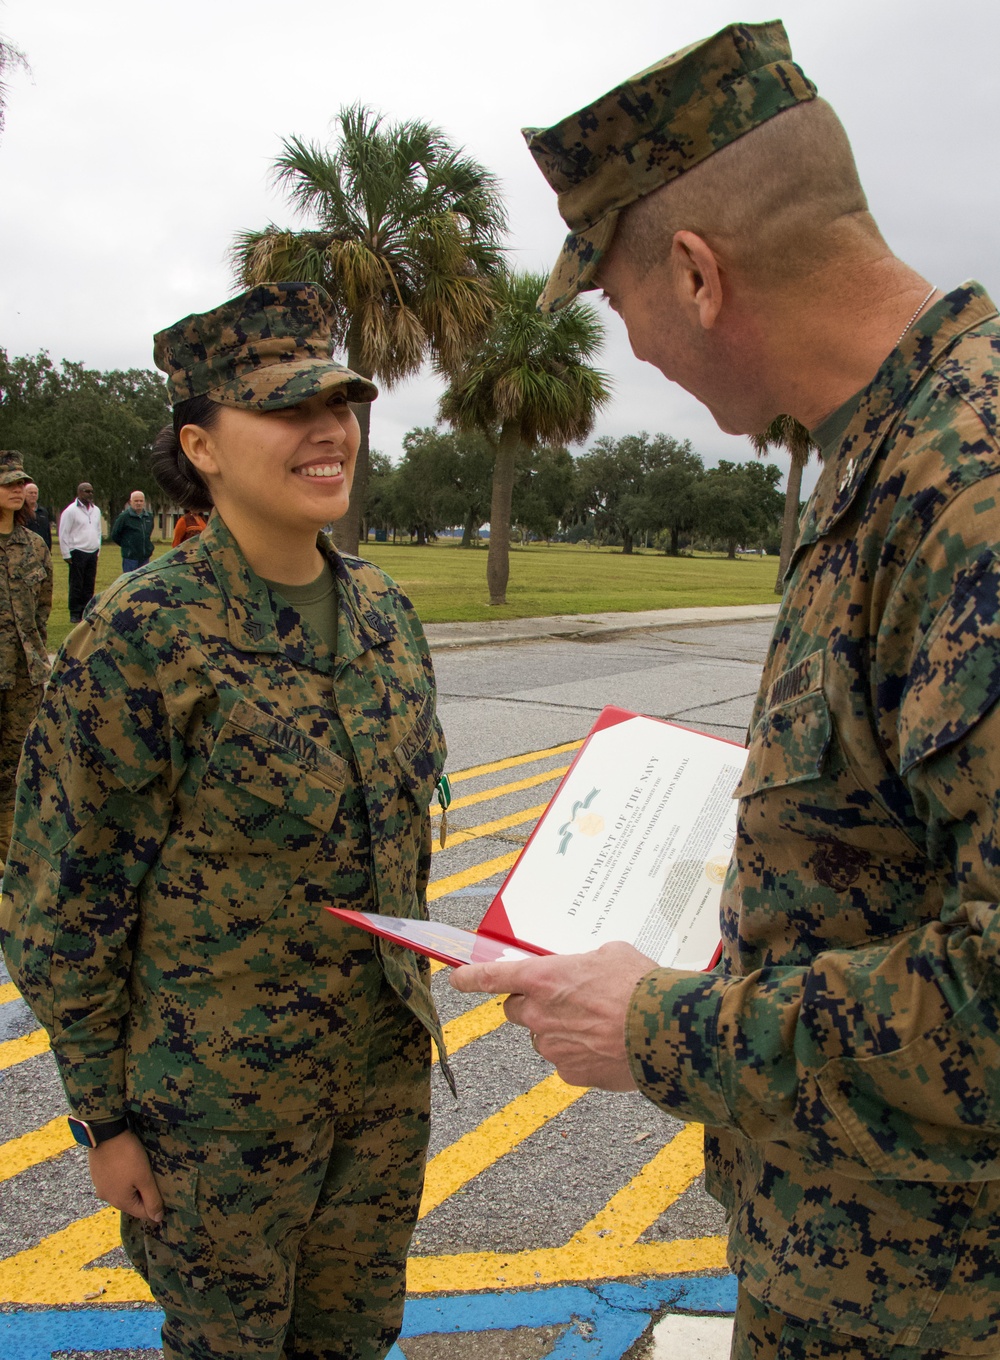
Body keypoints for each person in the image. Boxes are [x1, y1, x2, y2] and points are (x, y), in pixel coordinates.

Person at [452, 20, 1000, 1360]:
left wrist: (657, 1026)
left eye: (621, 302)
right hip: (853, 1274)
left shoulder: (968, 487)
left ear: (696, 275)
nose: (633, 349)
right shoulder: (885, 455)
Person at [0, 282, 450, 1360]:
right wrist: (104, 1124)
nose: (325, 430)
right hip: (214, 1116)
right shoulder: (143, 635)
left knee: (350, 1340)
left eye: (336, 404)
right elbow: (62, 908)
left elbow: (401, 850)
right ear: (199, 443)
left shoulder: (386, 616)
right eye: (285, 410)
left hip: (377, 1097)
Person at [0, 451, 52, 869]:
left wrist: (35, 656)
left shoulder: (34, 545)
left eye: (22, 483)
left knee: (17, 765)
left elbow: (42, 609)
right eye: (9, 484)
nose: (19, 490)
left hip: (24, 673)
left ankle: (8, 850)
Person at [58, 480, 101, 622]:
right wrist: (66, 553)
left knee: (89, 583)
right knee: (77, 583)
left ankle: (86, 609)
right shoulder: (71, 511)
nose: (90, 494)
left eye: (91, 491)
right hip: (78, 551)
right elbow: (64, 533)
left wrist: (98, 549)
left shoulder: (96, 510)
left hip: (92, 551)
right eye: (87, 491)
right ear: (79, 492)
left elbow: (98, 530)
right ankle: (75, 612)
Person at [110, 489, 154, 572]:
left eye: (141, 501)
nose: (138, 503)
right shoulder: (124, 517)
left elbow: (148, 533)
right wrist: (127, 545)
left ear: (144, 502)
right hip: (130, 558)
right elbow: (115, 535)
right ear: (130, 502)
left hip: (145, 557)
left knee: (144, 582)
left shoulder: (149, 517)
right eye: (136, 501)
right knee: (130, 581)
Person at [22, 482, 52, 550]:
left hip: (42, 550)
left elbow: (47, 533)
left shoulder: (43, 512)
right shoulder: (20, 512)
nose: (33, 495)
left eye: (35, 493)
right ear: (24, 494)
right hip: (26, 550)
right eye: (31, 493)